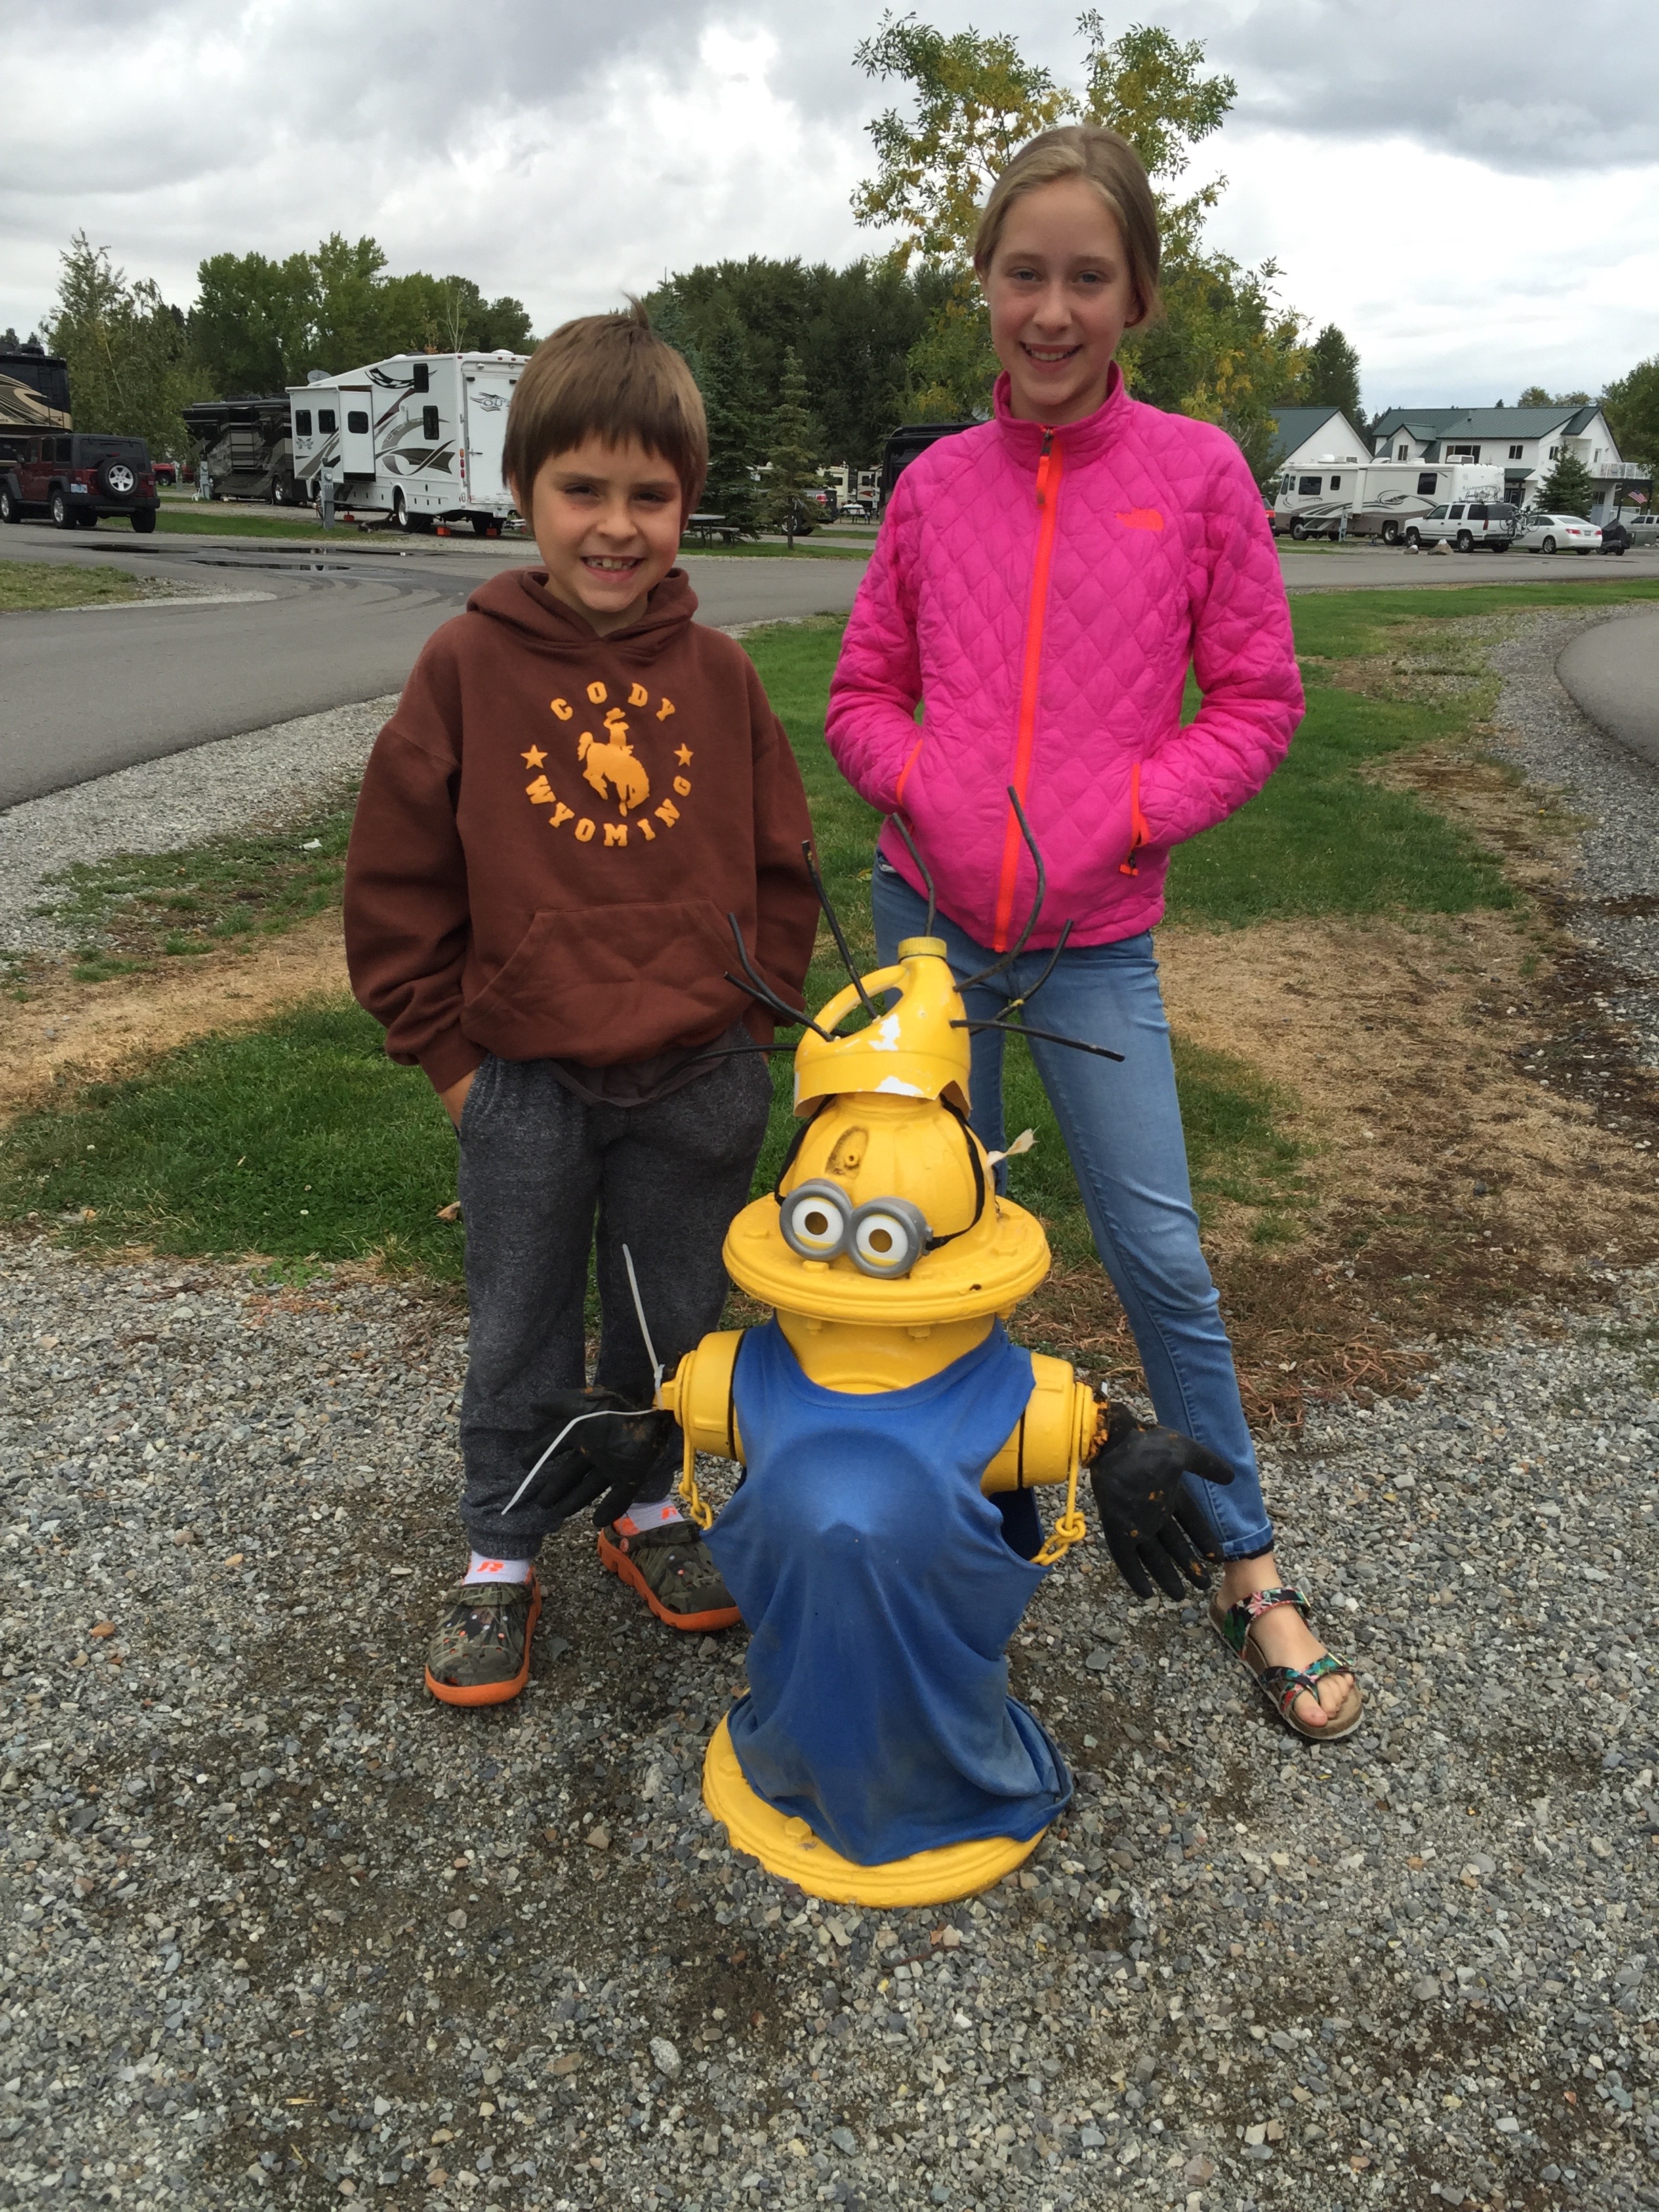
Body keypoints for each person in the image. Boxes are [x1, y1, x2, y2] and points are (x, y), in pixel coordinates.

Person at [825, 125, 1361, 1740]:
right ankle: (952, 1528)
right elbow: (862, 694)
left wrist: (1129, 809)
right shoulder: (933, 486)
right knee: (931, 1246)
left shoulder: (1198, 475)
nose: (1050, 310)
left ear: (1137, 298)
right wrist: (929, 787)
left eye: (1086, 278)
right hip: (927, 931)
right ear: (985, 286)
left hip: (1095, 941)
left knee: (1161, 1256)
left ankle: (1248, 1562)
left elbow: (1258, 701)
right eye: (1023, 275)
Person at [344, 304, 819, 1706]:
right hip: (526, 1081)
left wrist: (753, 1029)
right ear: (521, 491)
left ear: (687, 502)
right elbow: (397, 880)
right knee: (522, 1321)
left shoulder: (722, 677)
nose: (616, 527)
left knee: (672, 1316)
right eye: (582, 490)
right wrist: (456, 1064)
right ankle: (501, 1550)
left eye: (649, 496)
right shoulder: (466, 666)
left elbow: (784, 866)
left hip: (696, 1075)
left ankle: (647, 1505)